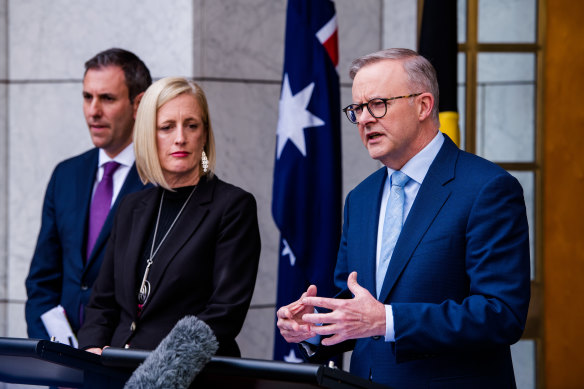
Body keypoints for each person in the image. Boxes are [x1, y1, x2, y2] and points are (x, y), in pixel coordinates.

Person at [276, 48, 530, 388]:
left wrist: (388, 320)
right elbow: (354, 303)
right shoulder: (360, 198)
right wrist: (316, 326)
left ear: (423, 105)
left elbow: (501, 315)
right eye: (357, 109)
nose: (364, 119)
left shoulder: (488, 189)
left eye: (378, 104)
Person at [77, 77, 261, 357]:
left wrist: (155, 373)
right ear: (148, 135)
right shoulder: (131, 206)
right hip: (115, 372)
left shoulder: (233, 207)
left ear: (204, 133)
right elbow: (102, 303)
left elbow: (224, 314)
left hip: (188, 375)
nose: (180, 138)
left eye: (191, 125)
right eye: (166, 127)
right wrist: (91, 352)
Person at [25, 48, 152, 340]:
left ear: (139, 104)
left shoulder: (158, 180)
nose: (93, 111)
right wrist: (52, 352)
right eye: (87, 97)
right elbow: (42, 281)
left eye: (107, 98)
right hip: (62, 366)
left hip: (124, 365)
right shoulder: (66, 175)